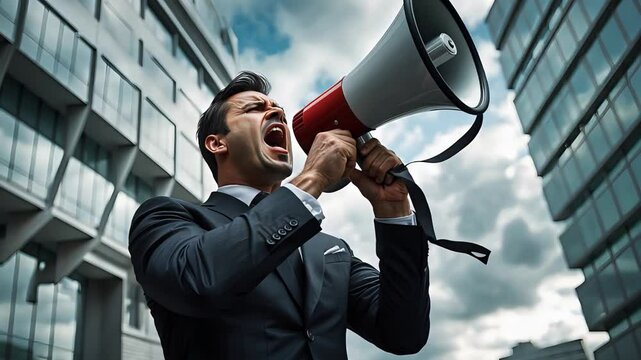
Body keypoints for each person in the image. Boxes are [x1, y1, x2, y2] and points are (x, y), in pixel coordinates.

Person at [129, 71, 430, 359]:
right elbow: (197, 281)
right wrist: (311, 179)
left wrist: (394, 211)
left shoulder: (329, 249)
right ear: (217, 143)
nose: (277, 115)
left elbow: (403, 334)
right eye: (254, 108)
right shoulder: (166, 218)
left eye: (281, 113)